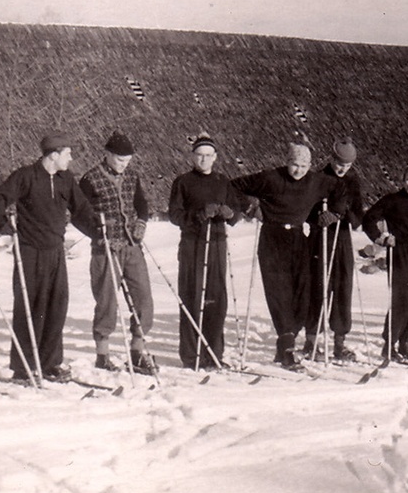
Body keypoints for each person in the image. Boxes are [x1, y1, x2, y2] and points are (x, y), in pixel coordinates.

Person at [0, 132, 98, 382]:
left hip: (55, 251)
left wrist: (97, 230)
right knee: (29, 307)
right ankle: (23, 367)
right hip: (29, 251)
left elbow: (80, 210)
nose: (71, 157)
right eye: (67, 153)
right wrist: (2, 223)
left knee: (56, 306)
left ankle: (50, 364)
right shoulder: (26, 176)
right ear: (54, 154)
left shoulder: (66, 179)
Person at [231, 142, 345, 371]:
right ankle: (287, 347)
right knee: (279, 292)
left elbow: (339, 189)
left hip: (297, 237)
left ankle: (286, 344)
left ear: (310, 166)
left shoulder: (315, 181)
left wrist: (335, 213)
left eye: (303, 165)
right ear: (287, 161)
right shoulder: (271, 178)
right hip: (272, 239)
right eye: (294, 164)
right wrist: (251, 208)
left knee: (301, 294)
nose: (298, 170)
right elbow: (233, 186)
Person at [79, 132, 156, 374]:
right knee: (107, 304)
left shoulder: (132, 176)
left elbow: (141, 204)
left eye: (128, 160)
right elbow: (78, 214)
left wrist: (141, 223)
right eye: (120, 160)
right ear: (108, 155)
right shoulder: (90, 179)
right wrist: (97, 232)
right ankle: (102, 355)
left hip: (132, 247)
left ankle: (137, 353)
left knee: (144, 300)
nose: (124, 165)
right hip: (105, 251)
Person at [168, 134, 246, 369]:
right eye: (199, 155)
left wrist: (229, 213)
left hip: (217, 244)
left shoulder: (223, 181)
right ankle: (191, 355)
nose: (203, 160)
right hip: (193, 244)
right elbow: (175, 215)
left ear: (215, 158)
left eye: (208, 156)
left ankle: (213, 353)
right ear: (193, 156)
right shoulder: (182, 182)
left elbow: (236, 211)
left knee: (216, 298)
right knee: (192, 295)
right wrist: (200, 214)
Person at [362, 165, 408, 364]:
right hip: (399, 251)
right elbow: (368, 219)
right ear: (403, 180)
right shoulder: (392, 200)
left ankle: (405, 344)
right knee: (402, 298)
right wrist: (382, 238)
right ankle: (389, 345)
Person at [304, 137, 365, 361]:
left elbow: (358, 215)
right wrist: (320, 217)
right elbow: (307, 211)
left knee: (343, 287)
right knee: (319, 287)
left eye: (347, 165)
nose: (342, 169)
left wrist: (341, 215)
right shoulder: (319, 178)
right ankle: (311, 340)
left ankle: (339, 343)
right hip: (322, 240)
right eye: (339, 163)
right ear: (331, 159)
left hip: (343, 240)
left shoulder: (353, 180)